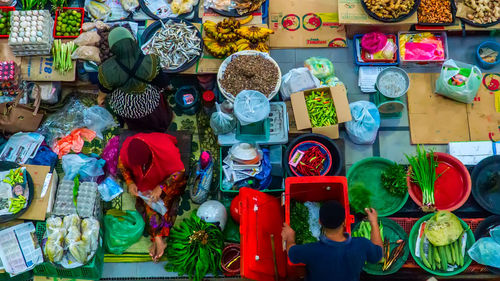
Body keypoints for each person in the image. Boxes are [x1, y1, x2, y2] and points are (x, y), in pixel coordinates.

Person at [118, 132, 186, 262]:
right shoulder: (128, 147)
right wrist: (130, 182)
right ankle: (159, 239)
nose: (140, 167)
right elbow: (123, 165)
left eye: (143, 164)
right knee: (150, 202)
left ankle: (157, 240)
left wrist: (161, 187)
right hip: (145, 183)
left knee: (163, 202)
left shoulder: (165, 149)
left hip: (164, 178)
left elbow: (180, 172)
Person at [281, 201, 383, 281]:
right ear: (345, 222)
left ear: (320, 222)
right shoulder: (361, 244)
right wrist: (374, 222)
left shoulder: (311, 250)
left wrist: (290, 237)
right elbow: (378, 256)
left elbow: (291, 253)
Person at [97, 27, 172, 132]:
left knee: (134, 121)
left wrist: (100, 99)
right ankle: (158, 129)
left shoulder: (106, 69)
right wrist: (167, 86)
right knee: (154, 117)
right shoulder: (149, 61)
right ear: (133, 42)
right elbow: (162, 81)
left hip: (125, 105)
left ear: (112, 48)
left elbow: (104, 90)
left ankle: (136, 130)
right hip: (149, 101)